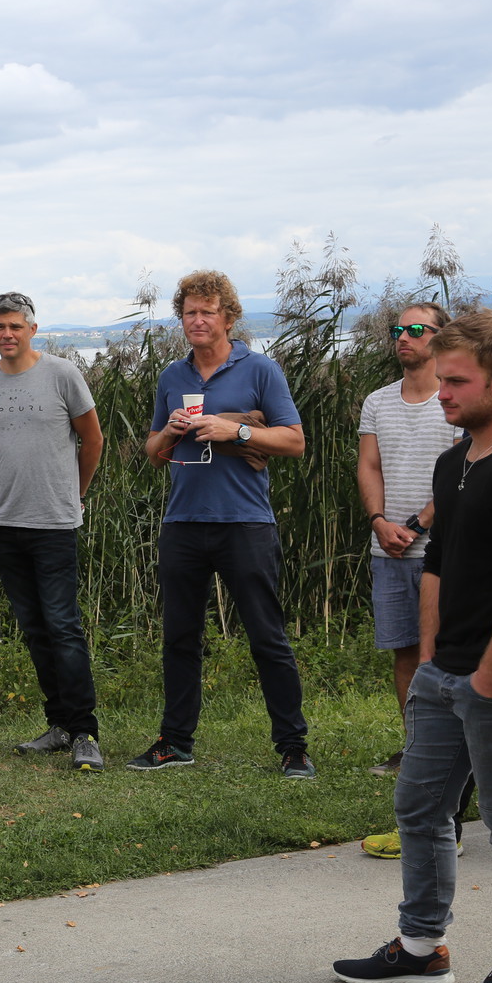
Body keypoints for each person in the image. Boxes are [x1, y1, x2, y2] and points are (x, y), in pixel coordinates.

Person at [334, 310, 492, 983]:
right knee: (419, 806)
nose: (442, 393)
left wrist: (491, 676)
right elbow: (439, 564)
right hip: (448, 675)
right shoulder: (455, 459)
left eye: (456, 381)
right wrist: (435, 658)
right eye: (440, 379)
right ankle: (421, 949)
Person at [130, 270, 311, 777]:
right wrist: (169, 429)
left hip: (246, 523)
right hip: (183, 523)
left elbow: (294, 441)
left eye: (208, 311)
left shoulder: (260, 369)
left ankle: (293, 746)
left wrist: (237, 431)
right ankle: (175, 741)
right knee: (180, 638)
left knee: (266, 636)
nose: (198, 320)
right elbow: (153, 455)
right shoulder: (172, 377)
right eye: (189, 312)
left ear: (228, 317)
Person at [0, 291, 105, 768]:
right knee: (35, 630)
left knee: (64, 627)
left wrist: (75, 493)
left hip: (54, 523)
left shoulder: (63, 374)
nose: (7, 335)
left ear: (32, 330)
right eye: (0, 327)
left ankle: (86, 732)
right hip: (4, 524)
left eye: (15, 327)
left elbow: (92, 438)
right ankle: (59, 725)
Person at [356, 303, 458, 776]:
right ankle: (416, 748)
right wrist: (379, 521)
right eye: (398, 329)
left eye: (417, 329)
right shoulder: (377, 401)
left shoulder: (456, 399)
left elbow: (465, 470)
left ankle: (461, 749)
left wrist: (419, 524)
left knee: (450, 649)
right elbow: (369, 466)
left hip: (445, 548)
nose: (404, 337)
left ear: (441, 336)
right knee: (405, 650)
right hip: (389, 546)